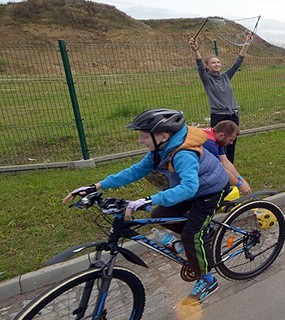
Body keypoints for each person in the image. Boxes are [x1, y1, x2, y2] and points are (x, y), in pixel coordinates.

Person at [62, 109, 230, 305]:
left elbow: (189, 187)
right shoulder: (161, 150)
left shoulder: (183, 154)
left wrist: (150, 199)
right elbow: (136, 171)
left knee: (190, 235)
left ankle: (207, 279)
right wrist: (97, 185)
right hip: (190, 189)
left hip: (210, 191)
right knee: (160, 213)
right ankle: (203, 232)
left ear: (163, 136)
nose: (140, 141)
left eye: (143, 136)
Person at [189, 33, 253, 165]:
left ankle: (231, 171)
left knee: (231, 145)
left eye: (218, 62)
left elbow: (238, 61)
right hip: (219, 117)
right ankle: (218, 170)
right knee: (219, 148)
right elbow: (200, 66)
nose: (217, 64)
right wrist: (196, 50)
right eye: (213, 63)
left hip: (233, 115)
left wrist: (246, 43)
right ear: (208, 66)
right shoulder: (207, 79)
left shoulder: (226, 76)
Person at [201, 120, 252, 195]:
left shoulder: (216, 138)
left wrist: (241, 180)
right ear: (221, 135)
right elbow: (220, 169)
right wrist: (239, 185)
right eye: (230, 140)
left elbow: (226, 163)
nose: (231, 143)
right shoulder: (209, 143)